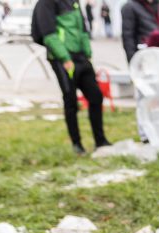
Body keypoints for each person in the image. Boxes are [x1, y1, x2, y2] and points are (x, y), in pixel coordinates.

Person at [33, 0, 111, 155]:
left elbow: (82, 30)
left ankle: (100, 140)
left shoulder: (73, 1)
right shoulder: (46, 3)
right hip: (62, 58)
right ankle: (77, 144)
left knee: (96, 96)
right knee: (71, 101)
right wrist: (64, 58)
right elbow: (49, 34)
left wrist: (88, 54)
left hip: (81, 56)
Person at [121, 0, 159, 141]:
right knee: (143, 96)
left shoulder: (157, 5)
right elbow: (128, 36)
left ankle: (158, 129)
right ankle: (145, 134)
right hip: (142, 58)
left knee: (158, 95)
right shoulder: (130, 7)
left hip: (157, 56)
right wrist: (133, 63)